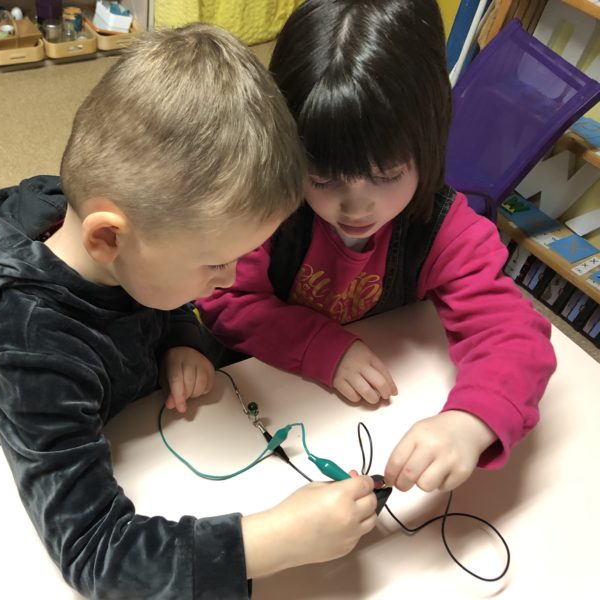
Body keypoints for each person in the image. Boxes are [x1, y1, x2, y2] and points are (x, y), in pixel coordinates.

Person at [0, 24, 378, 600]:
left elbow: (156, 297)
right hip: (22, 488)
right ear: (108, 238)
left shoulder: (132, 248)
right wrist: (276, 540)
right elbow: (95, 554)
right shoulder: (27, 347)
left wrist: (181, 339)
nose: (229, 279)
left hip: (137, 437)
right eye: (214, 263)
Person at [196, 0, 557, 495]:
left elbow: (513, 333)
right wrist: (321, 347)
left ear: (428, 145)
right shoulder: (266, 209)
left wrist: (472, 421)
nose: (356, 206)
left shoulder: (440, 225)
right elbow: (222, 299)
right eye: (322, 178)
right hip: (250, 408)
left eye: (386, 175)